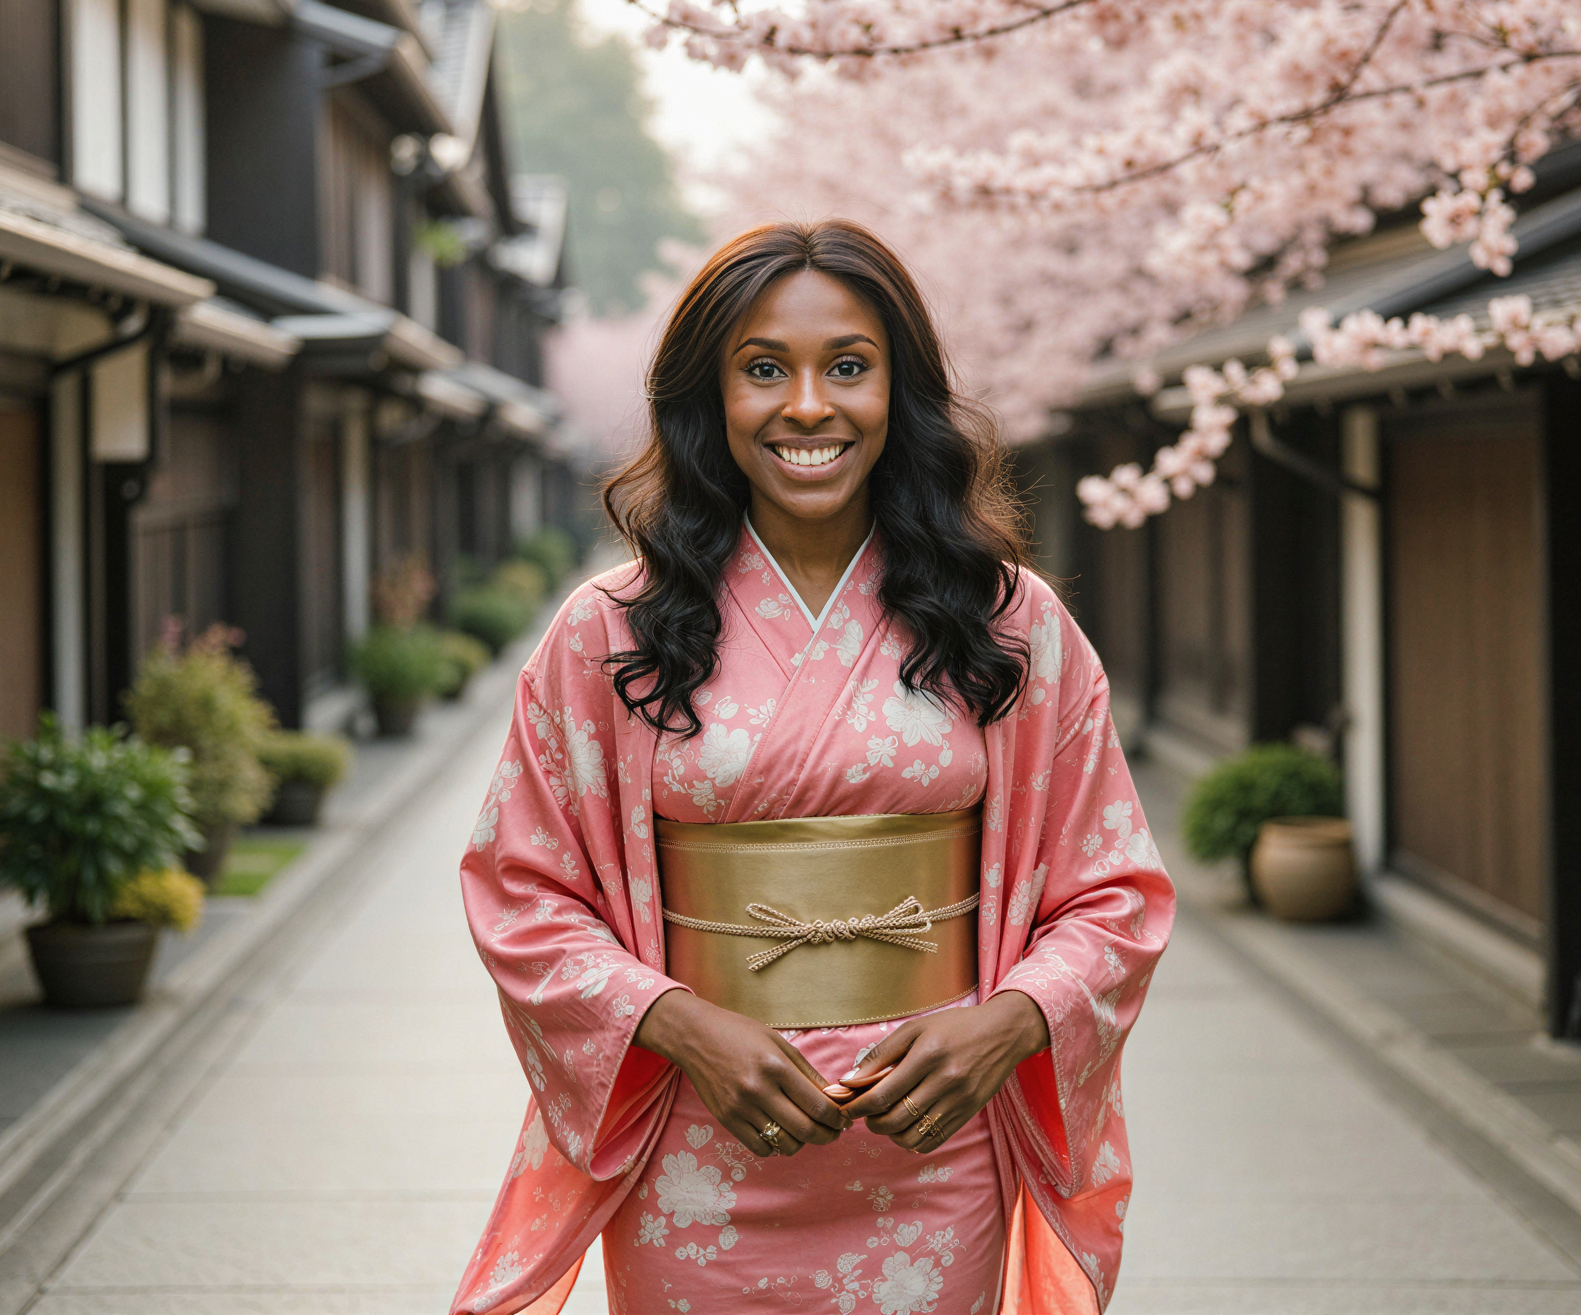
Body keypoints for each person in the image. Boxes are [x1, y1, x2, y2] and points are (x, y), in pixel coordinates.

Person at [454, 221, 1175, 1315]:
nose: (806, 406)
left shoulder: (1009, 626)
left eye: (847, 366)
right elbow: (521, 891)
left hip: (934, 1150)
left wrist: (1011, 1020)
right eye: (761, 370)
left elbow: (1114, 889)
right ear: (709, 398)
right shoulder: (606, 632)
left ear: (901, 392)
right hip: (696, 1146)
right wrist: (676, 1023)